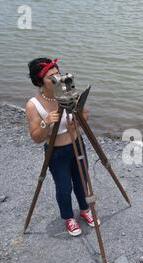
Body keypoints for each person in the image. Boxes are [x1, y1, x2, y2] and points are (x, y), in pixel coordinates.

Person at [25, 57, 97, 236]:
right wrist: (46, 123)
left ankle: (85, 209)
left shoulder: (68, 94)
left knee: (82, 182)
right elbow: (36, 137)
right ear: (41, 81)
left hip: (77, 145)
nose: (58, 78)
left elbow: (85, 114)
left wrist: (78, 122)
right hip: (56, 153)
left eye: (58, 73)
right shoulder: (34, 105)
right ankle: (68, 218)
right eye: (52, 77)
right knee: (64, 187)